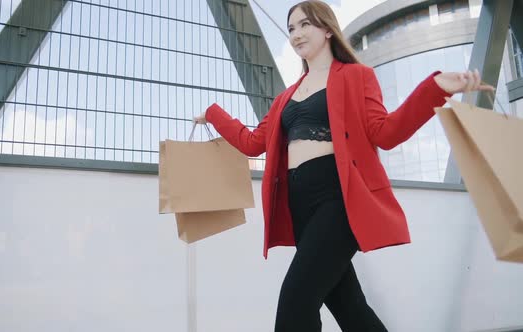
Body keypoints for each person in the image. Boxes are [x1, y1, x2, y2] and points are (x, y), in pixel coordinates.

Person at [194, 1, 493, 331]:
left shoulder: (357, 76)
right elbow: (253, 143)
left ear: (326, 29)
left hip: (338, 199)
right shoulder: (284, 98)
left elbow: (387, 132)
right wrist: (213, 113)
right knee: (351, 308)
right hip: (301, 207)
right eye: (291, 28)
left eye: (305, 24)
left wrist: (434, 89)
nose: (296, 34)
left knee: (295, 302)